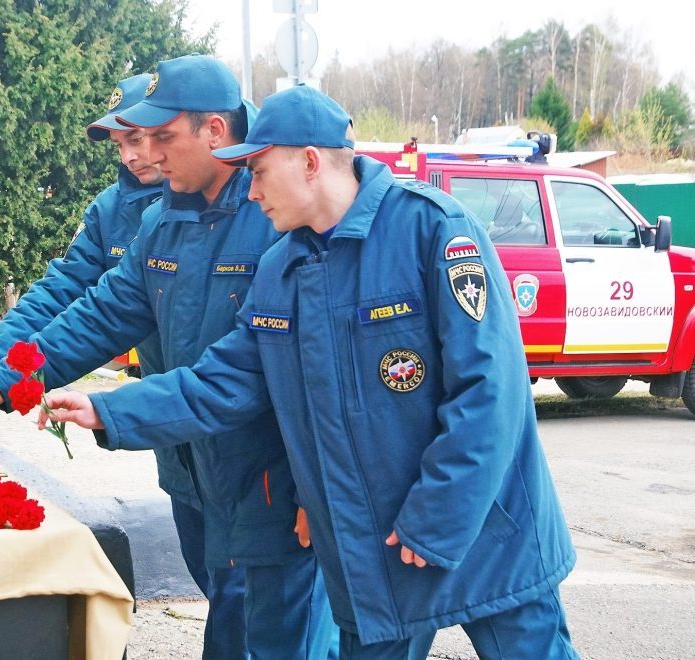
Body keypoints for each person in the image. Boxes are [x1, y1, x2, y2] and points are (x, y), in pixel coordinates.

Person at [40, 86, 579, 659]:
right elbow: (223, 381)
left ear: (311, 162)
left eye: (260, 171)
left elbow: (489, 393)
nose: (251, 191)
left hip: (482, 531)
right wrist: (109, 409)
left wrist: (437, 519)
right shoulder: (283, 269)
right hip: (377, 543)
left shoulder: (434, 232)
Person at [0, 54, 339, 658]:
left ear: (215, 132)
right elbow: (99, 312)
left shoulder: (277, 214)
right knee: (230, 627)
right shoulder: (163, 220)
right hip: (197, 464)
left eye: (163, 137)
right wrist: (7, 373)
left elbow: (293, 374)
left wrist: (312, 489)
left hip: (271, 478)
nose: (149, 153)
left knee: (282, 640)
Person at [0, 74, 252, 658]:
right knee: (219, 583)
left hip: (243, 441)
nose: (138, 154)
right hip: (178, 434)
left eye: (148, 136)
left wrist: (107, 405)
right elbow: (77, 303)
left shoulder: (262, 199)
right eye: (122, 142)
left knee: (258, 613)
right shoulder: (126, 213)